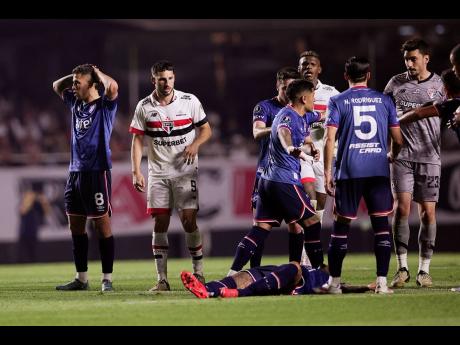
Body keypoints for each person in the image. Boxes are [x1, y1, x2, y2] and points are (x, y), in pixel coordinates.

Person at [130, 60, 212, 291]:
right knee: (160, 223)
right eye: (162, 79)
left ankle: (199, 274)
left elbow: (206, 129)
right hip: (158, 173)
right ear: (153, 80)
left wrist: (196, 144)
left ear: (174, 78)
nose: (166, 83)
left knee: (189, 220)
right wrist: (136, 170)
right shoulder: (144, 106)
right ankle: (162, 280)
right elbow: (137, 140)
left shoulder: (189, 101)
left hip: (185, 172)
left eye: (170, 78)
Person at [227, 79, 323, 276]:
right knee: (313, 222)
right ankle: (318, 274)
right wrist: (290, 147)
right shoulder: (288, 116)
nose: (315, 99)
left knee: (260, 228)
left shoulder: (303, 114)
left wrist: (310, 147)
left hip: (267, 180)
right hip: (284, 180)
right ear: (304, 98)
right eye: (313, 96)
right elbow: (283, 132)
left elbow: (320, 115)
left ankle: (232, 273)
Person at [324, 56, 403, 294]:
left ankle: (335, 283)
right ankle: (381, 282)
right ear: (368, 75)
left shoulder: (337, 101)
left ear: (346, 76)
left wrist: (328, 171)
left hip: (349, 170)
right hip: (377, 171)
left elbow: (330, 139)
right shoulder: (384, 100)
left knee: (341, 228)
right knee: (381, 227)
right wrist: (390, 154)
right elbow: (398, 139)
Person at [384, 38, 446, 288]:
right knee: (401, 208)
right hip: (402, 156)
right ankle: (402, 268)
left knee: (428, 212)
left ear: (426, 58)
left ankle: (424, 270)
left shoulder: (439, 85)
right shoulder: (395, 84)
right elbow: (385, 116)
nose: (409, 63)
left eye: (413, 58)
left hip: (430, 156)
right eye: (406, 59)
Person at [52, 64, 118, 292]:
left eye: (78, 84)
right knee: (75, 227)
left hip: (97, 172)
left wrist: (97, 73)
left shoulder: (104, 106)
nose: (73, 87)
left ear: (92, 84)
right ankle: (81, 279)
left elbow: (113, 86)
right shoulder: (75, 103)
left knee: (102, 226)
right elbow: (55, 86)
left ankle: (107, 279)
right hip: (75, 173)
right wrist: (74, 76)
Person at [250, 67, 301, 267]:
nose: (287, 93)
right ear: (277, 86)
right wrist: (281, 126)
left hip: (290, 175)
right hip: (266, 174)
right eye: (284, 88)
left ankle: (295, 271)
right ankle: (253, 272)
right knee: (260, 227)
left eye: (291, 88)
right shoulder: (264, 107)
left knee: (296, 226)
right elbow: (256, 132)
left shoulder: (298, 110)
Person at [298, 50, 339, 225]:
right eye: (304, 64)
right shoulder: (292, 92)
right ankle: (304, 246)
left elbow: (341, 121)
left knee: (320, 203)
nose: (308, 67)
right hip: (302, 153)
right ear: (299, 69)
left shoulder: (331, 93)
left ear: (319, 69)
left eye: (312, 64)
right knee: (308, 199)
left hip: (324, 154)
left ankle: (309, 245)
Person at [181, 262, 372, 299]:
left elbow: (346, 288)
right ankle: (205, 289)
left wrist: (366, 287)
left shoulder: (330, 281)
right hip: (275, 272)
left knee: (294, 267)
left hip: (294, 281)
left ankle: (236, 294)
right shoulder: (316, 266)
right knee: (240, 277)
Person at [398, 69, 460, 143]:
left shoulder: (452, 104)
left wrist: (394, 122)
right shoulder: (449, 103)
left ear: (446, 87)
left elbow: (418, 113)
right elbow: (427, 106)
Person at [17, 182, 50, 263]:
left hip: (33, 231)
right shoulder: (25, 202)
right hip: (24, 231)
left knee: (33, 252)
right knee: (23, 252)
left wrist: (43, 201)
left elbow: (47, 212)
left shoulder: (38, 204)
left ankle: (33, 263)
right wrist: (29, 199)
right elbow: (22, 211)